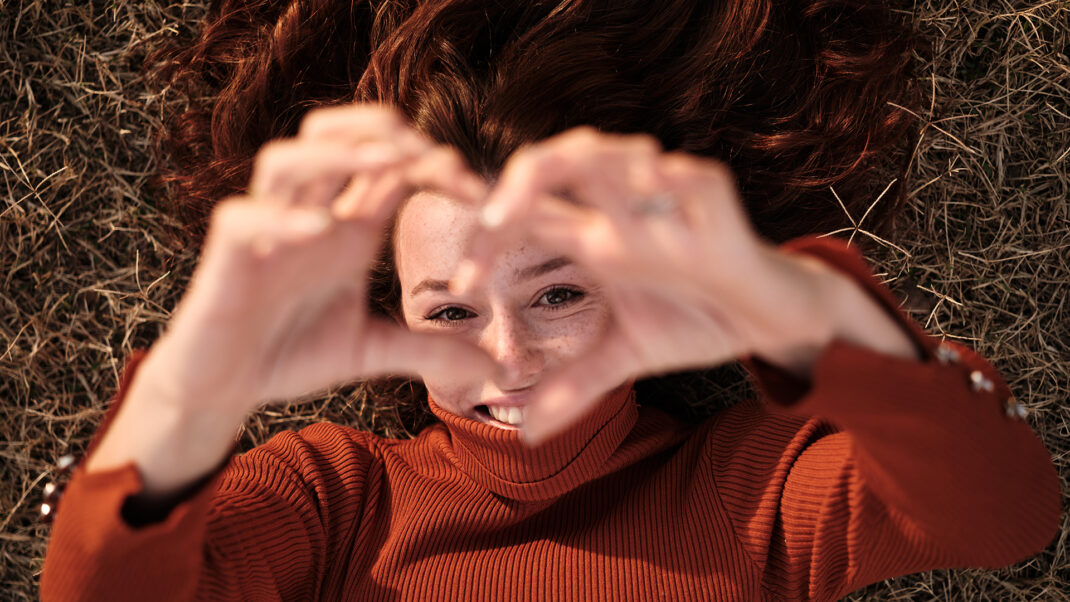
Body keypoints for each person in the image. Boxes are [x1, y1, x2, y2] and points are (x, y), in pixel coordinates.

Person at [41, 1, 1060, 600]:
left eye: (558, 292)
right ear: (395, 320)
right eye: (447, 310)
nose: (509, 358)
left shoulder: (745, 491)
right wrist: (192, 384)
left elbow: (1000, 517)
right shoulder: (335, 498)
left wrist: (796, 307)